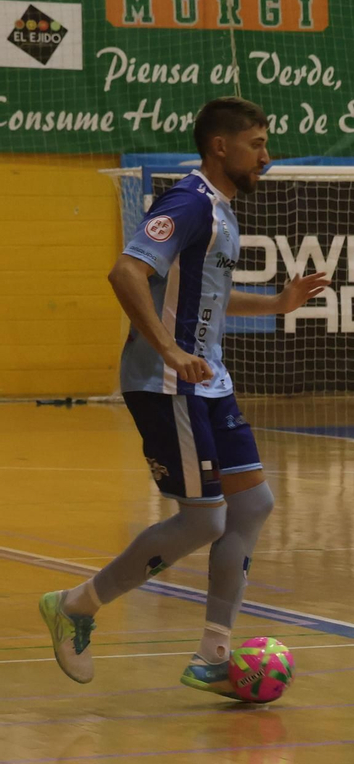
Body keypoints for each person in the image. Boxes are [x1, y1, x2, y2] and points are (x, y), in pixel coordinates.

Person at [39, 96, 329, 697]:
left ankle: (212, 657)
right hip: (167, 382)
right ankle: (75, 605)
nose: (266, 157)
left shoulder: (223, 211)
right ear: (220, 147)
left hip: (207, 380)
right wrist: (170, 350)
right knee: (204, 519)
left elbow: (210, 302)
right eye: (257, 144)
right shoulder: (189, 202)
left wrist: (277, 303)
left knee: (252, 507)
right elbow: (125, 272)